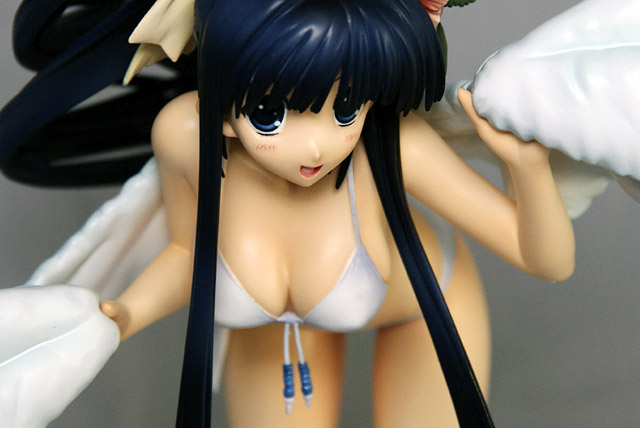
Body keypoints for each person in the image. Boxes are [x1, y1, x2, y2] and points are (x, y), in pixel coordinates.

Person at [0, 0, 574, 426]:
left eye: (345, 108)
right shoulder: (185, 135)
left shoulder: (394, 145)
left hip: (424, 308)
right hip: (277, 333)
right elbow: (186, 251)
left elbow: (546, 261)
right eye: (271, 116)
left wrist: (527, 169)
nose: (317, 147)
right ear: (221, 105)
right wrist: (126, 313)